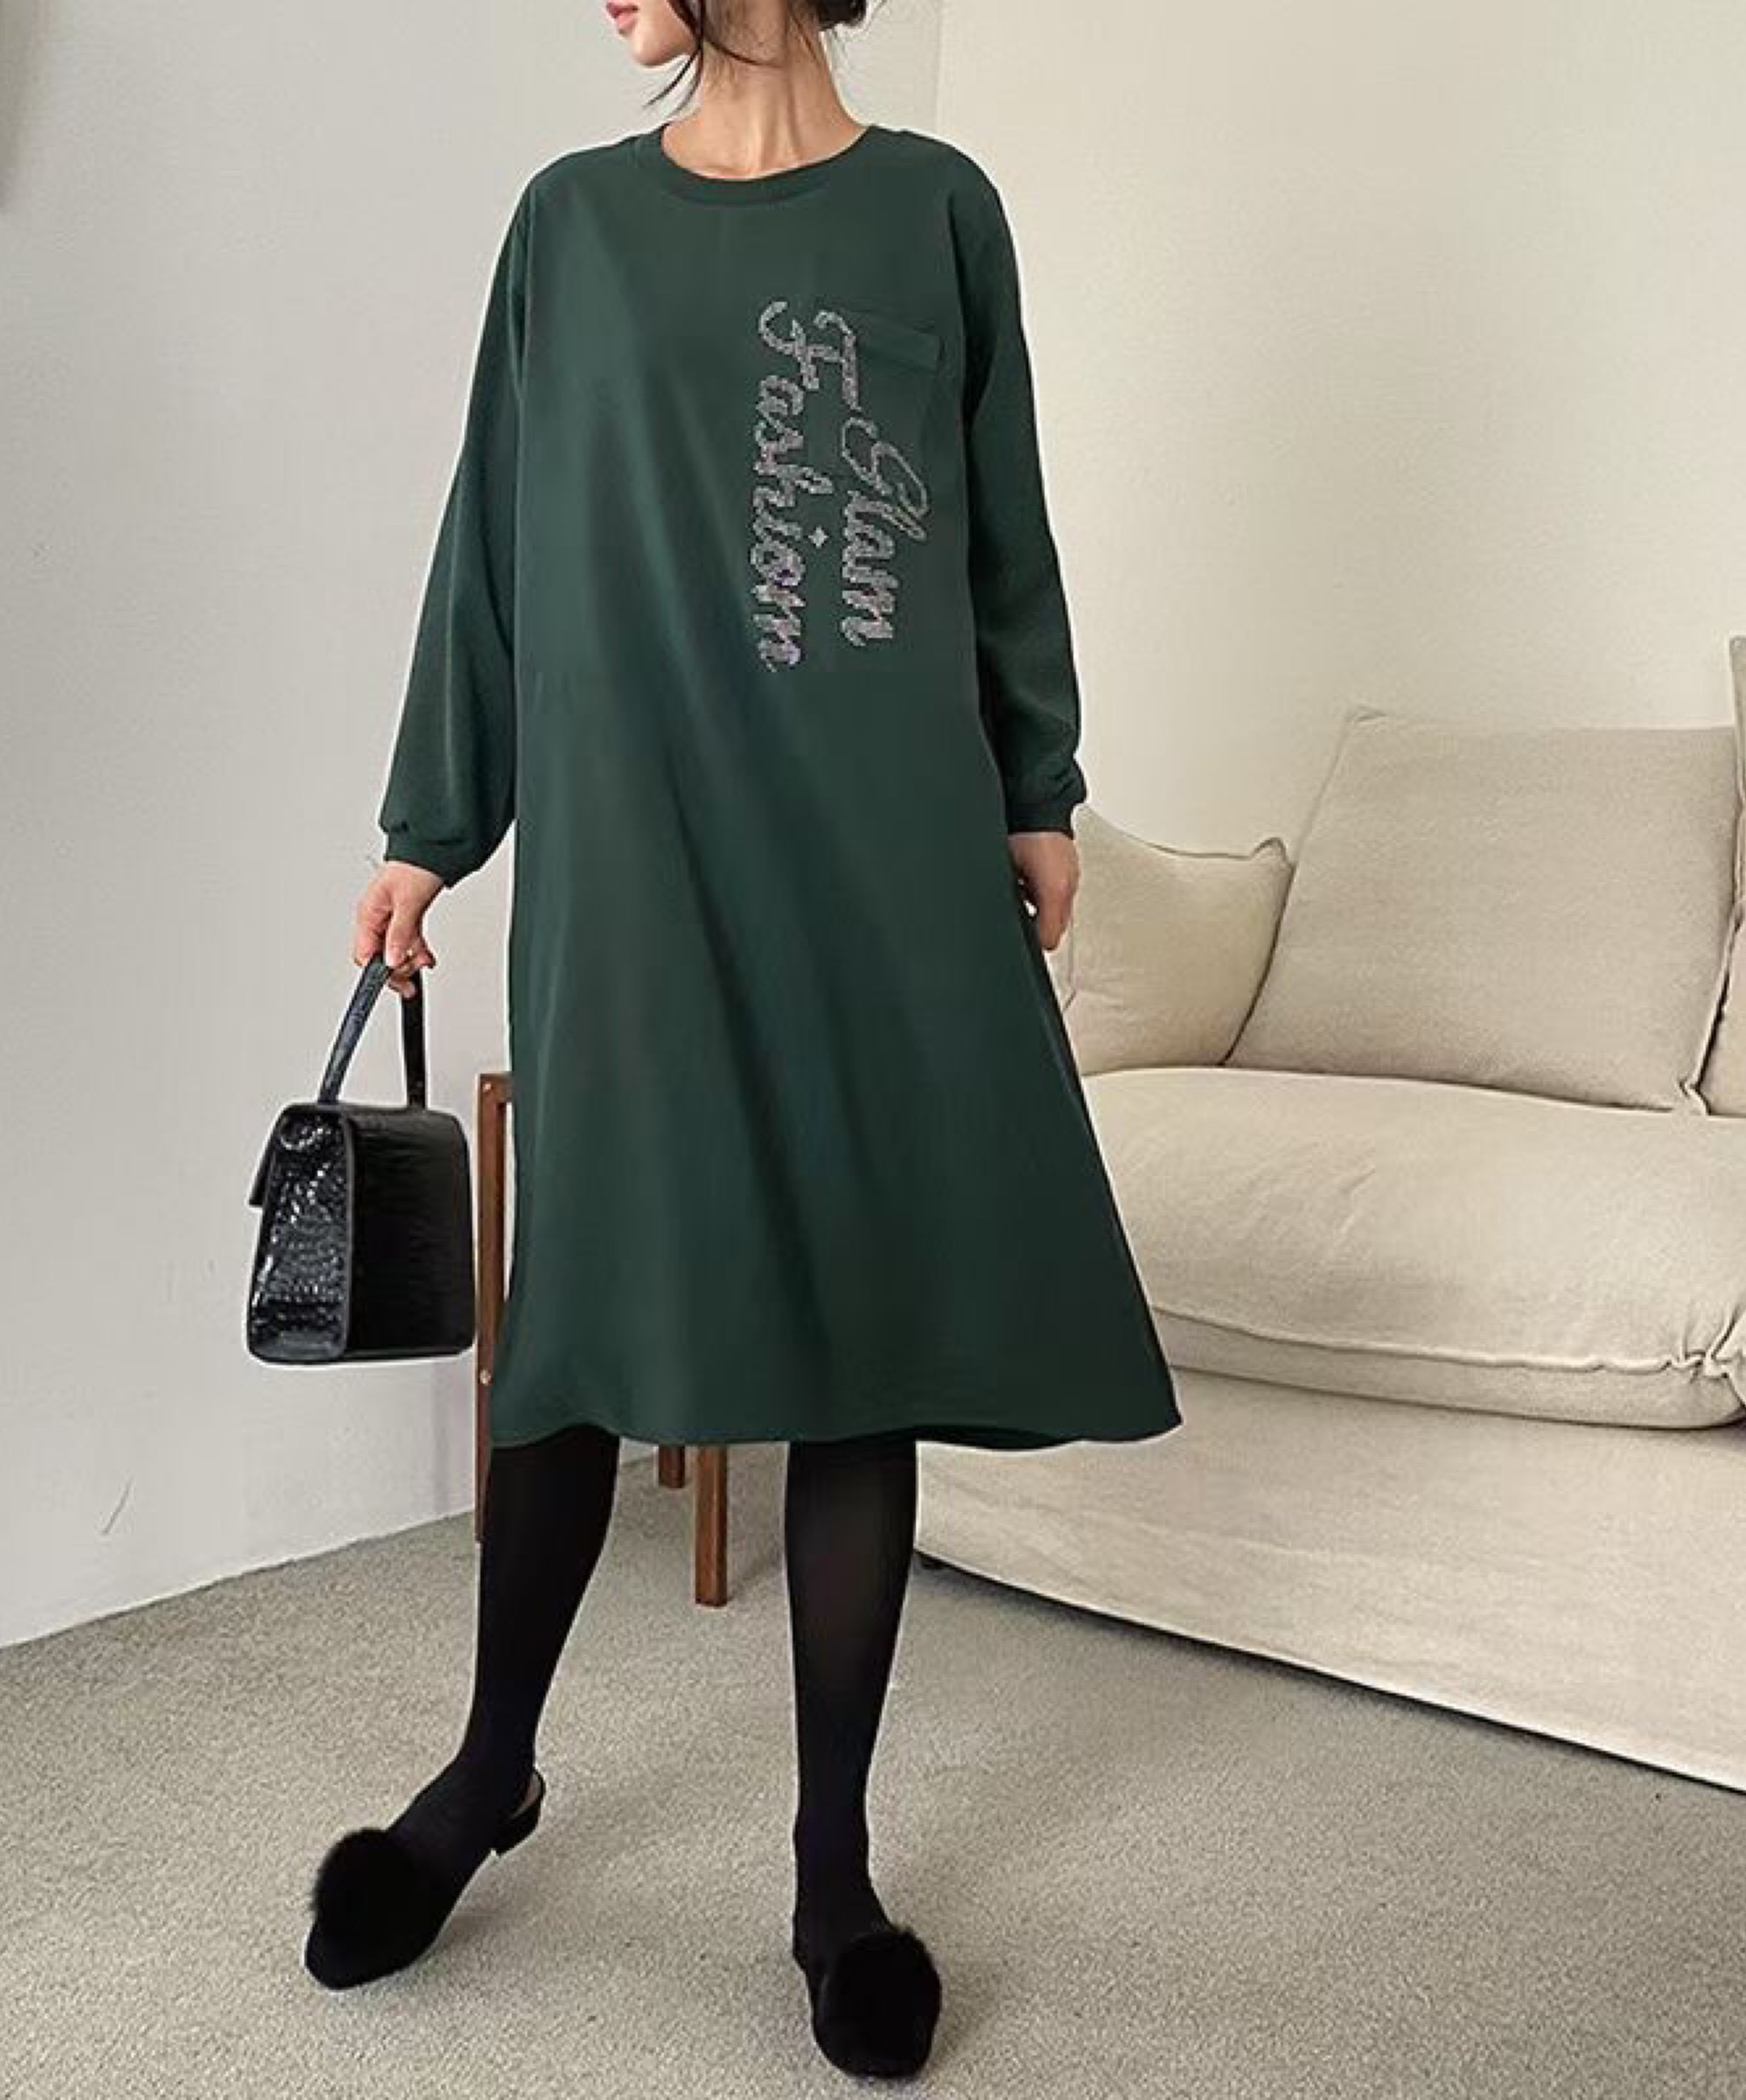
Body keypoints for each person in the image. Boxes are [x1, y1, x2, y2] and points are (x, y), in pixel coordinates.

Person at [306, 0, 1182, 2078]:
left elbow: (1000, 525)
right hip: (632, 851)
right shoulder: (573, 227)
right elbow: (493, 538)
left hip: (879, 850)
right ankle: (489, 1773)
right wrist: (431, 827)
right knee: (577, 1310)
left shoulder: (937, 213)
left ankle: (830, 1873)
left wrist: (1038, 786)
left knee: (856, 1315)